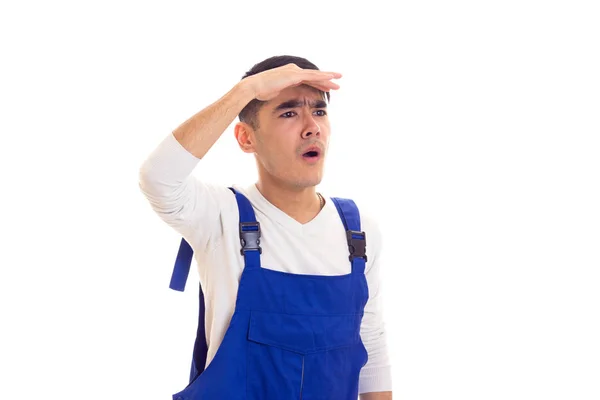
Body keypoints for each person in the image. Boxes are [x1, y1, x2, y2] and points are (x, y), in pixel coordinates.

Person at [139, 55, 392, 399]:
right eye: (288, 113)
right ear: (246, 139)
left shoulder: (358, 235)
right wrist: (247, 90)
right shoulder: (220, 217)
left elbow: (372, 347)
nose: (311, 126)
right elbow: (158, 178)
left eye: (319, 111)